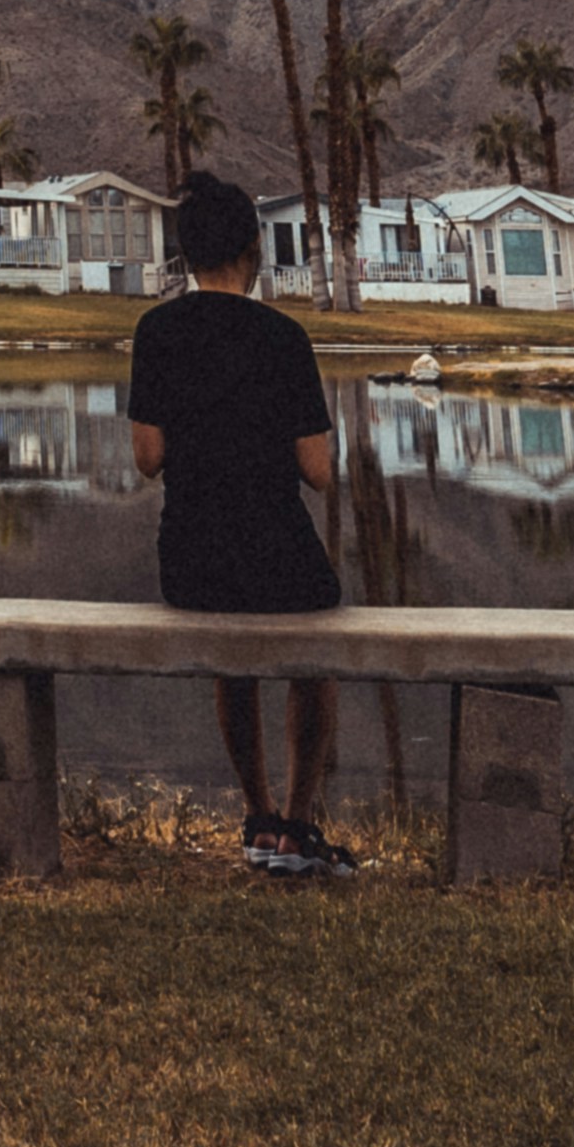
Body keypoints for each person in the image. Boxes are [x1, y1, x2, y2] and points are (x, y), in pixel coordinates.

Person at [128, 167, 353, 877]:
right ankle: (297, 820)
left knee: (236, 661)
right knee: (313, 661)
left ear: (187, 255)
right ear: (252, 250)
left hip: (190, 562)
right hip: (278, 553)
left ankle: (256, 815)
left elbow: (147, 459)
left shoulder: (156, 332)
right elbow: (318, 472)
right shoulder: (284, 338)